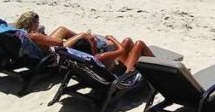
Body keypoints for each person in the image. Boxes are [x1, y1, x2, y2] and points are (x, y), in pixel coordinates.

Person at [11, 10, 153, 72]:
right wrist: (112, 39)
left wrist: (90, 43)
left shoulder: (92, 58)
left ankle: (86, 37)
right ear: (32, 23)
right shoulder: (33, 36)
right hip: (124, 74)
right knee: (138, 43)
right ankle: (156, 65)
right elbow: (59, 44)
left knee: (128, 41)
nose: (38, 23)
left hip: (105, 64)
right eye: (37, 22)